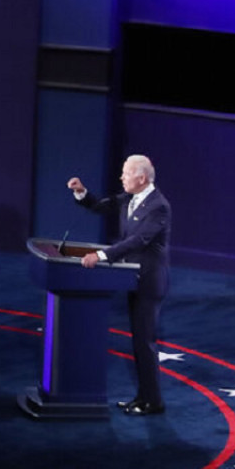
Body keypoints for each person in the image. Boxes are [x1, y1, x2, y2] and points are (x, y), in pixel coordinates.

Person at [67, 154, 171, 415]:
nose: (121, 177)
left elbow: (138, 240)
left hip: (149, 281)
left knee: (145, 342)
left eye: (126, 173)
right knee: (138, 342)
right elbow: (102, 205)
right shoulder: (130, 198)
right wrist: (82, 193)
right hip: (132, 278)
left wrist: (102, 256)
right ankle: (142, 396)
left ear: (141, 178)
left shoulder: (159, 206)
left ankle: (154, 402)